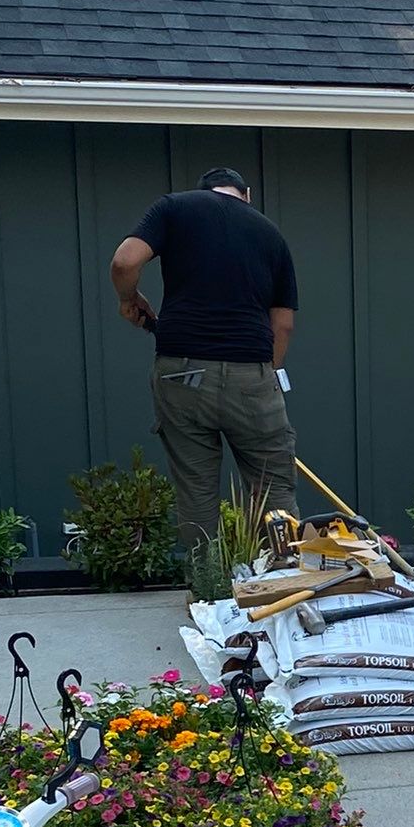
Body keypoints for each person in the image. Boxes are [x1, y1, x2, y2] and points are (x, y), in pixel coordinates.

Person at [111, 166, 300, 554]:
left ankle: (209, 590)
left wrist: (129, 299)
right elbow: (282, 325)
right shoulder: (269, 232)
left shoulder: (174, 208)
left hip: (182, 372)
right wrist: (268, 373)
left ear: (206, 191)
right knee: (273, 487)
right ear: (245, 195)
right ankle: (284, 585)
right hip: (252, 375)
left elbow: (125, 263)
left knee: (197, 489)